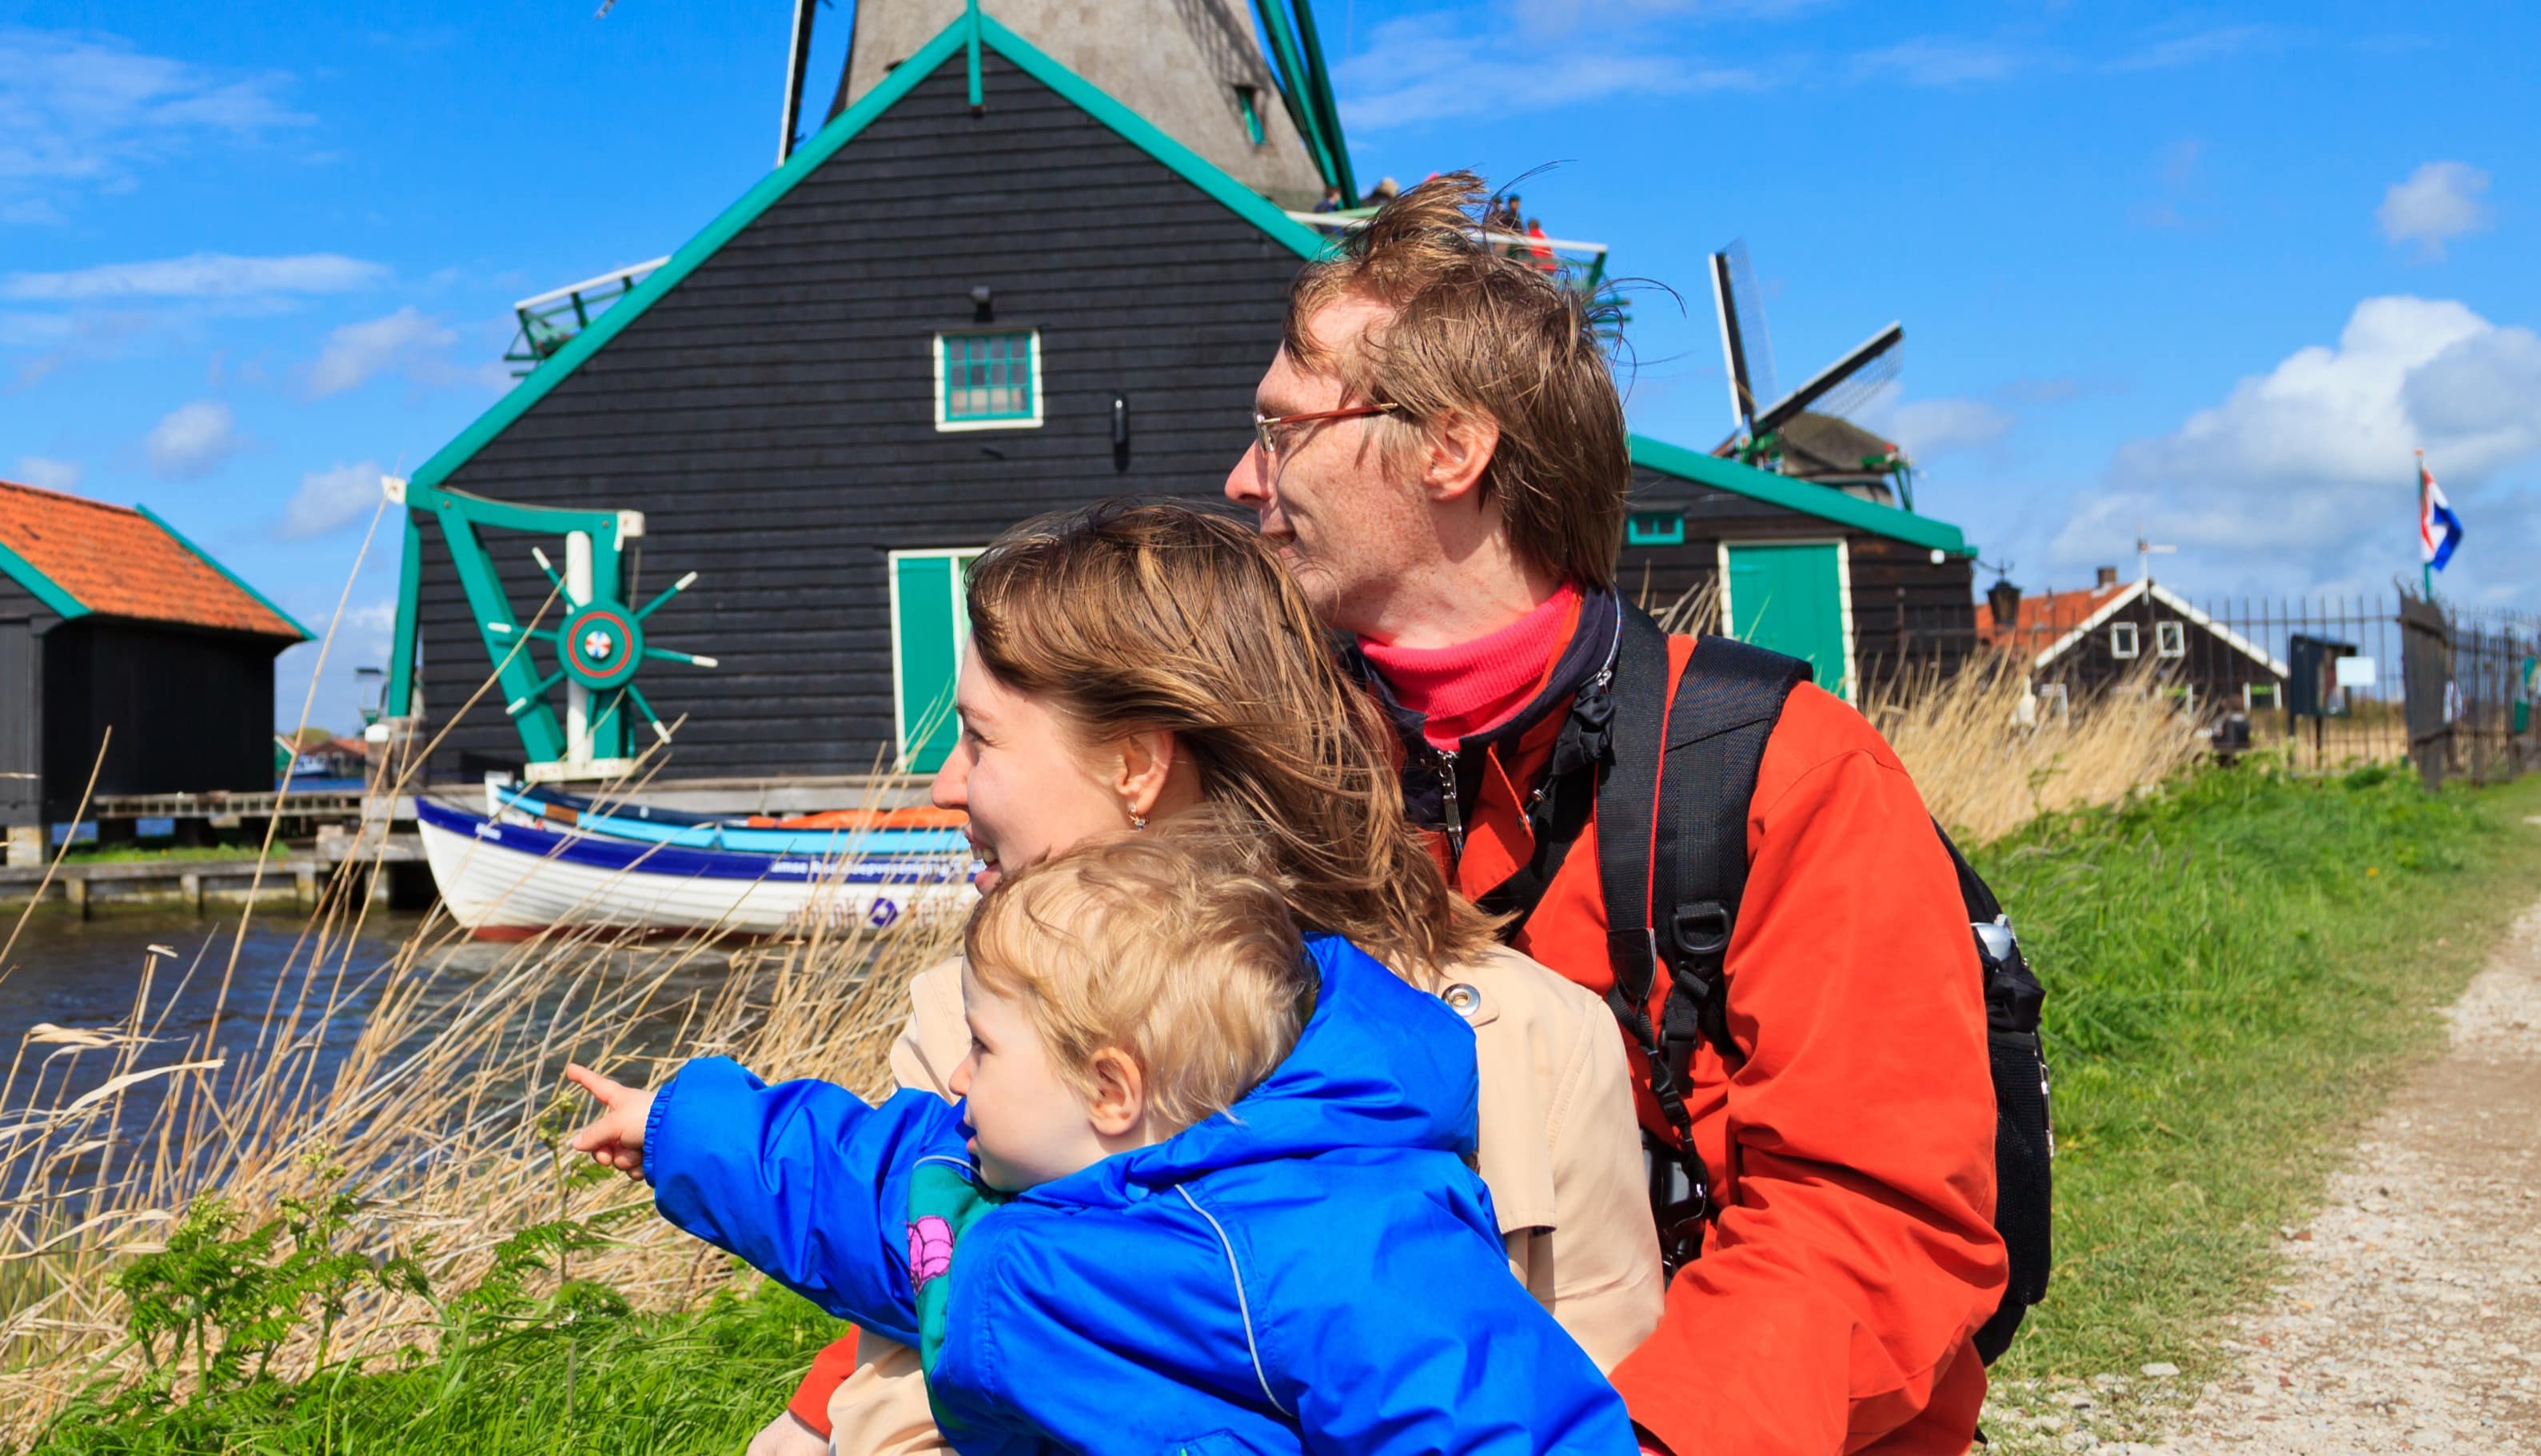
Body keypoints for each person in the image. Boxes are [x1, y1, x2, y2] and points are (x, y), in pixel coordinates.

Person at [1226, 172, 2005, 1456]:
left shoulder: (1778, 776)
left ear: (1448, 447)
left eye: (1281, 426)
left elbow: (1870, 1217)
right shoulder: (1284, 769)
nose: (1241, 474)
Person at [773, 505, 1660, 1456]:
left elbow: (1604, 1397)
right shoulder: (961, 1035)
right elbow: (904, 1415)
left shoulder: (1532, 1040)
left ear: (1134, 763)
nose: (945, 783)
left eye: (980, 740)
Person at [568, 830, 1637, 1456]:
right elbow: (844, 1179)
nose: (954, 1074)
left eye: (985, 1047)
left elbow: (1499, 1423)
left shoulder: (1328, 1245)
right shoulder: (979, 1187)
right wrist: (674, 1124)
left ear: (1111, 1087)